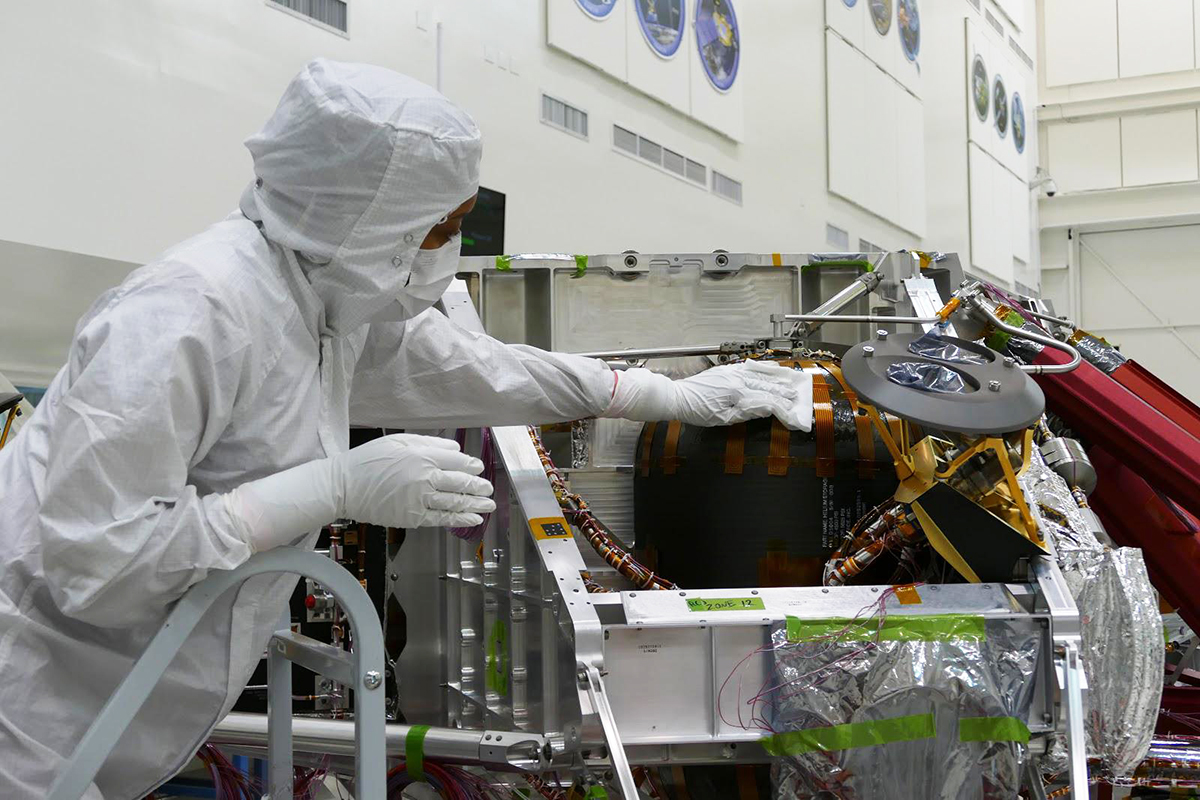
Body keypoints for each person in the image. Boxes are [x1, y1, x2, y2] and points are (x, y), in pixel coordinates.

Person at [0, 59, 811, 799]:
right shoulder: (187, 314)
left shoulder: (324, 301)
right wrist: (330, 487)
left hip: (120, 720)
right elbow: (93, 560)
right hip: (31, 713)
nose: (448, 254)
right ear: (357, 215)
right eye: (437, 228)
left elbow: (474, 368)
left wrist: (663, 396)